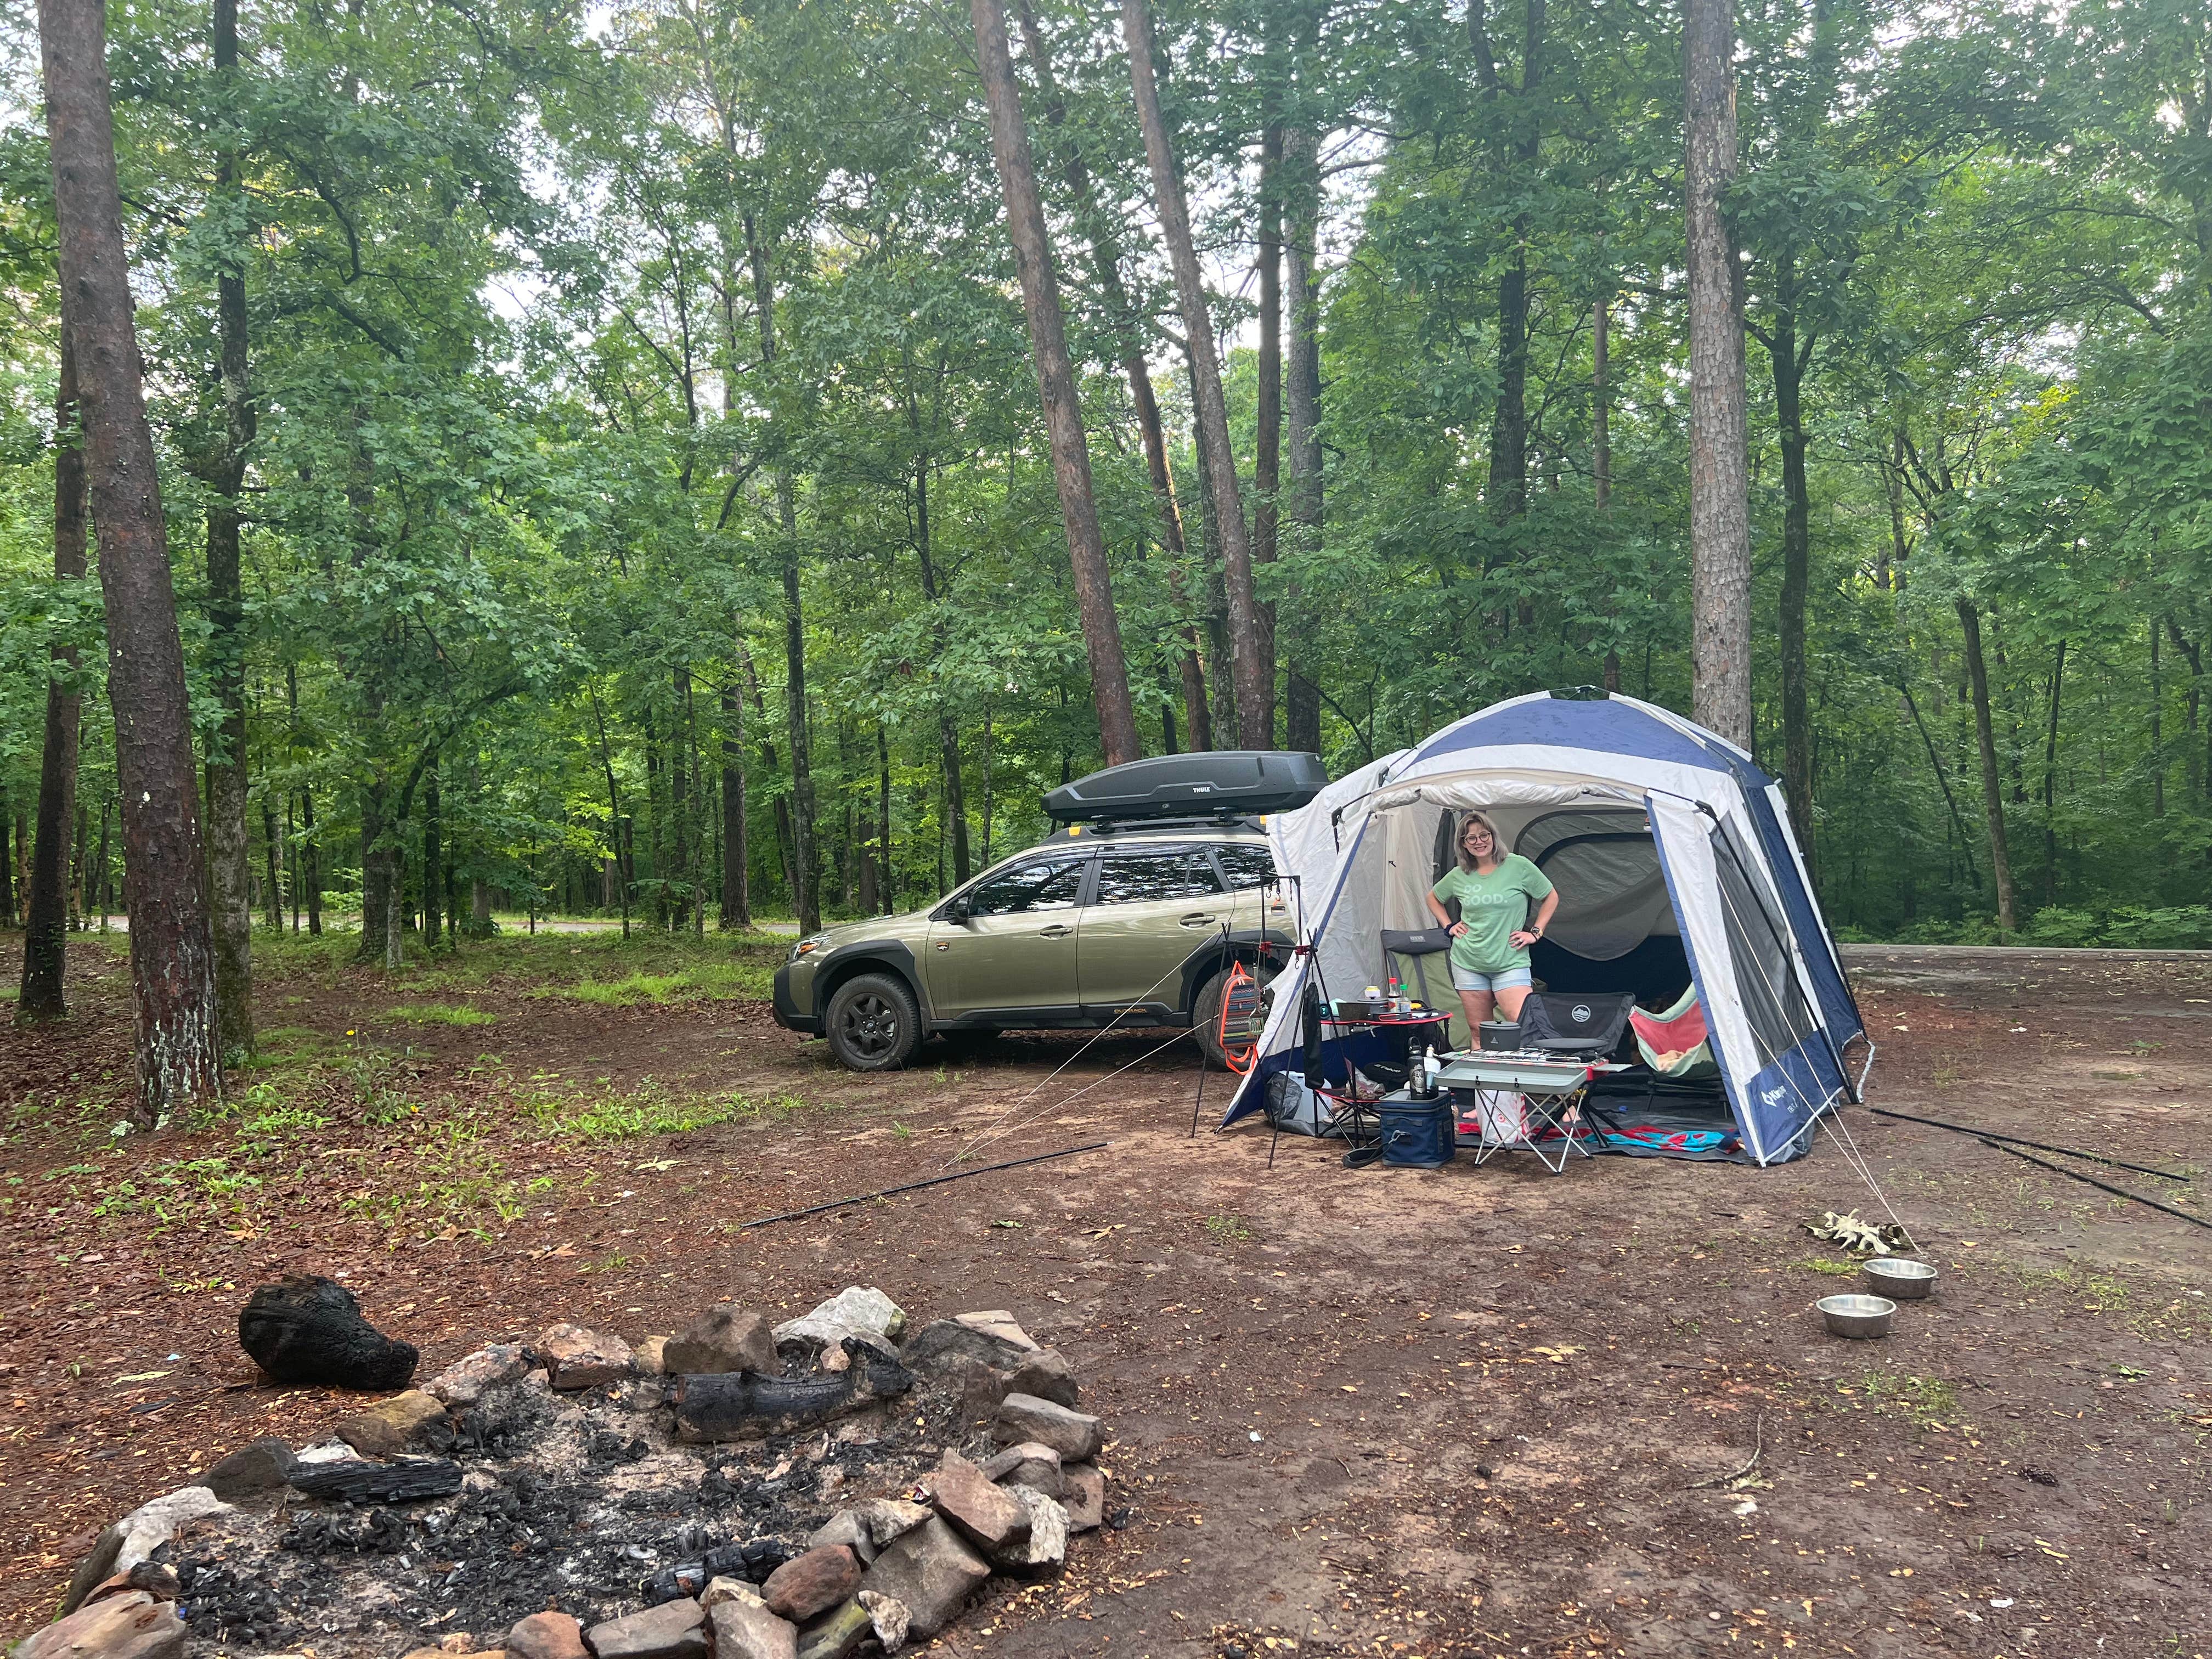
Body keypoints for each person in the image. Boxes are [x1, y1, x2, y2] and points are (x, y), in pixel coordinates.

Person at [1424, 810, 1559, 1034]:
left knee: (1524, 1026)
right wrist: (1449, 926)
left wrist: (1535, 932)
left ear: (1494, 836)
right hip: (1469, 962)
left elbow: (1550, 896)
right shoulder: (1460, 874)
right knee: (1479, 1031)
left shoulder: (1518, 866)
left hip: (1510, 961)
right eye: (1471, 838)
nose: (1479, 842)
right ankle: (1481, 1069)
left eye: (1484, 835)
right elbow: (1433, 898)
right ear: (1464, 845)